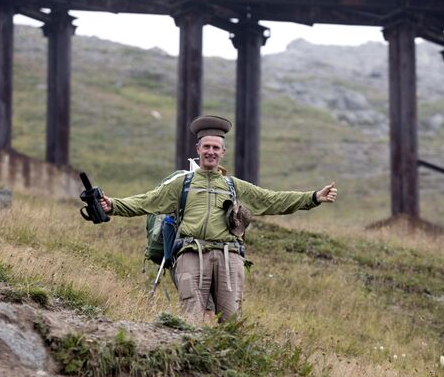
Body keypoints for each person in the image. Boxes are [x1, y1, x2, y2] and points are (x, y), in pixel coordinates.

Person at [99, 115, 337, 323]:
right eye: (207, 147)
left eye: (216, 148)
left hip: (229, 255)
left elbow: (272, 200)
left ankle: (229, 370)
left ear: (223, 152)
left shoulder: (234, 185)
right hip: (191, 253)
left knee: (231, 319)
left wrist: (314, 197)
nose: (211, 151)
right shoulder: (181, 184)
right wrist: (113, 205)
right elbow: (147, 201)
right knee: (190, 315)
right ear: (198, 149)